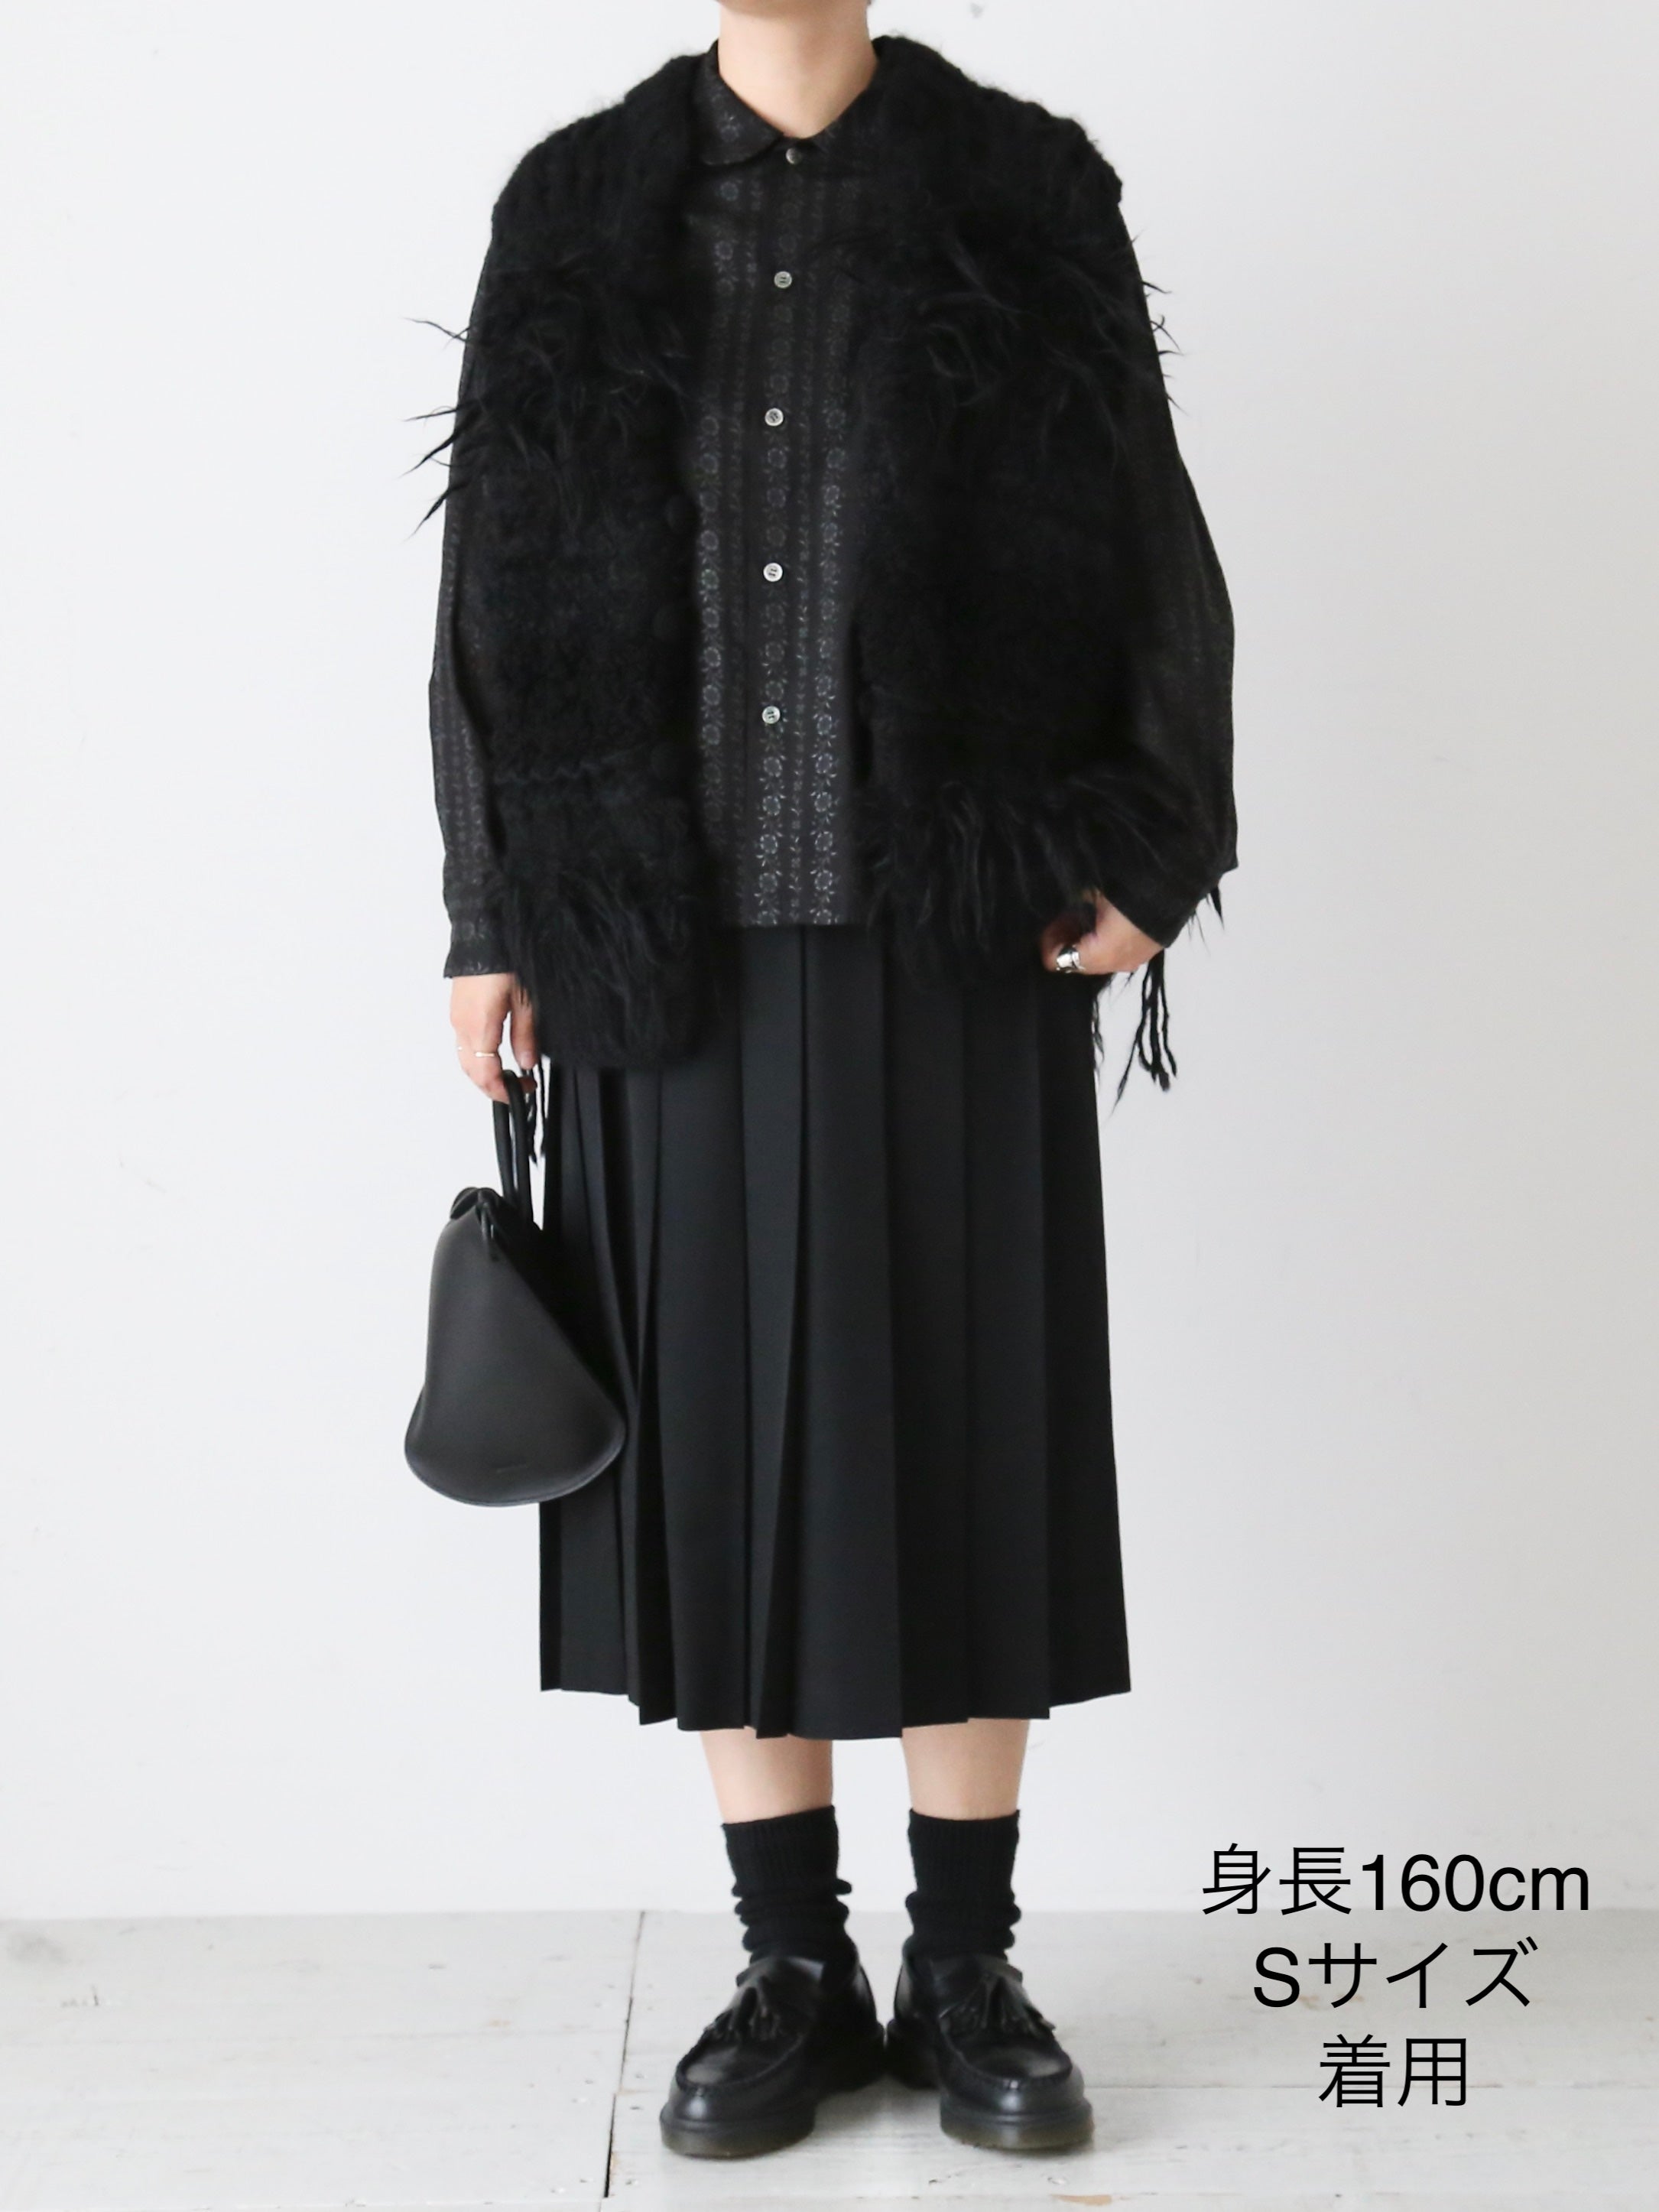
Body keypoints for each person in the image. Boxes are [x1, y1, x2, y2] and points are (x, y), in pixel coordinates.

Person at [424, 0, 1235, 2162]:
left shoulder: (1024, 187)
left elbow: (1147, 530)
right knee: (710, 1460)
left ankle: (966, 1969)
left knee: (966, 1434)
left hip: (957, 919)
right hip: (657, 939)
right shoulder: (574, 204)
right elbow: (485, 591)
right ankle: (792, 1966)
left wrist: (1162, 844)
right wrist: (491, 912)